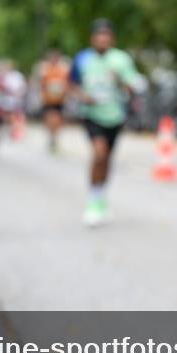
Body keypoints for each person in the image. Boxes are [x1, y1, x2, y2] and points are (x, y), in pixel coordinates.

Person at [69, 19, 141, 226]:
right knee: (98, 154)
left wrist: (120, 80)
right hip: (92, 114)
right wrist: (82, 96)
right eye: (98, 35)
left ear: (111, 38)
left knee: (107, 159)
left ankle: (101, 196)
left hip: (115, 115)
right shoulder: (82, 59)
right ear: (92, 39)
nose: (102, 39)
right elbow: (71, 83)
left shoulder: (121, 59)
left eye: (106, 35)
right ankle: (92, 201)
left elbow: (133, 86)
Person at [37, 48, 71, 153]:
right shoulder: (45, 68)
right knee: (50, 118)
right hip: (48, 99)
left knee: (58, 120)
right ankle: (51, 136)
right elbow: (41, 83)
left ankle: (55, 137)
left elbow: (67, 83)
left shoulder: (63, 69)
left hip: (60, 100)